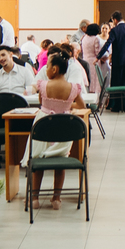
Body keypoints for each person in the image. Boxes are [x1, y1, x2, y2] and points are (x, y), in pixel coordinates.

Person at [28, 51, 86, 210]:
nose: (45, 69)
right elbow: (82, 106)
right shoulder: (73, 88)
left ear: (54, 69)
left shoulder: (44, 85)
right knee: (60, 162)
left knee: (38, 159)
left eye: (47, 66)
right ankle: (56, 198)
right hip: (64, 128)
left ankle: (34, 198)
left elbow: (42, 102)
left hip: (43, 124)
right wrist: (67, 106)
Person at [99, 10, 125, 105]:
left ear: (115, 20)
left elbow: (108, 44)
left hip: (118, 61)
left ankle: (117, 106)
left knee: (117, 83)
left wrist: (98, 56)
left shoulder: (114, 30)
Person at [80, 23, 106, 92]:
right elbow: (98, 52)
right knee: (95, 81)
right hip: (94, 61)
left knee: (88, 78)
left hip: (85, 59)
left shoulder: (84, 38)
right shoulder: (95, 39)